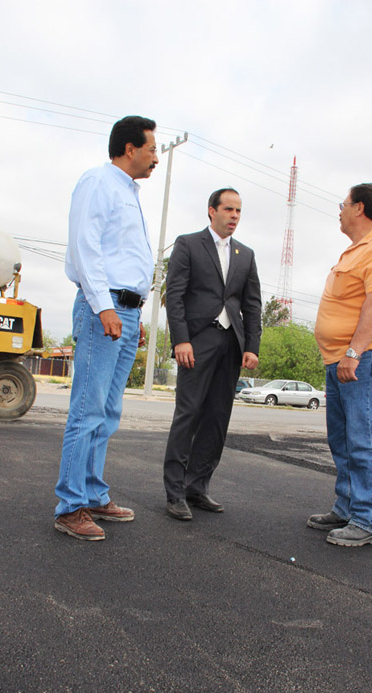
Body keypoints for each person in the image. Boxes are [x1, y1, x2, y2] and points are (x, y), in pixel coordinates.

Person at [54, 116, 158, 540]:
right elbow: (86, 246)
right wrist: (104, 307)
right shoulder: (98, 182)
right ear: (129, 149)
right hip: (106, 308)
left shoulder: (128, 192)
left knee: (108, 412)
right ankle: (70, 506)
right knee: (87, 410)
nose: (156, 158)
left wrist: (131, 312)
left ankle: (94, 494)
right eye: (152, 149)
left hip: (125, 311)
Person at [308, 183, 372, 547]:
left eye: (343, 203)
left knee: (365, 438)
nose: (340, 209)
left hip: (367, 354)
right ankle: (349, 506)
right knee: (343, 438)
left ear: (359, 208)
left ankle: (368, 521)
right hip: (343, 358)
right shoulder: (357, 249)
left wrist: (354, 352)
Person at [163, 188, 262, 520]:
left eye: (239, 211)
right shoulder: (188, 244)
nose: (234, 215)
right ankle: (175, 493)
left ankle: (198, 486)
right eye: (229, 209)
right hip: (196, 342)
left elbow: (252, 305)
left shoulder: (245, 254)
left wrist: (251, 347)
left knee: (218, 418)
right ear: (212, 211)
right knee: (188, 414)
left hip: (231, 346)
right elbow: (175, 296)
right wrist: (181, 340)